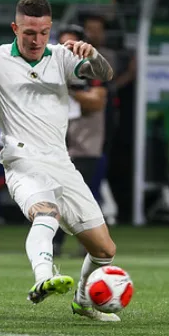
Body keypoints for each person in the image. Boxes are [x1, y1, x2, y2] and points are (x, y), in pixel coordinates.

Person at [0, 0, 119, 322]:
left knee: (105, 250)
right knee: (45, 215)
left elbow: (105, 74)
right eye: (29, 32)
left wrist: (93, 54)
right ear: (15, 28)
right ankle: (42, 278)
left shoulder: (62, 57)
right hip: (21, 161)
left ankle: (82, 301)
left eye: (44, 32)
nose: (36, 40)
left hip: (61, 163)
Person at [53, 24, 108, 257]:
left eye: (72, 44)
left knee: (83, 197)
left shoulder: (91, 69)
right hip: (56, 142)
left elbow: (97, 101)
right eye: (63, 44)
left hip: (85, 143)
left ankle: (94, 245)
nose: (68, 49)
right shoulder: (52, 67)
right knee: (56, 197)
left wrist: (70, 90)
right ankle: (53, 244)